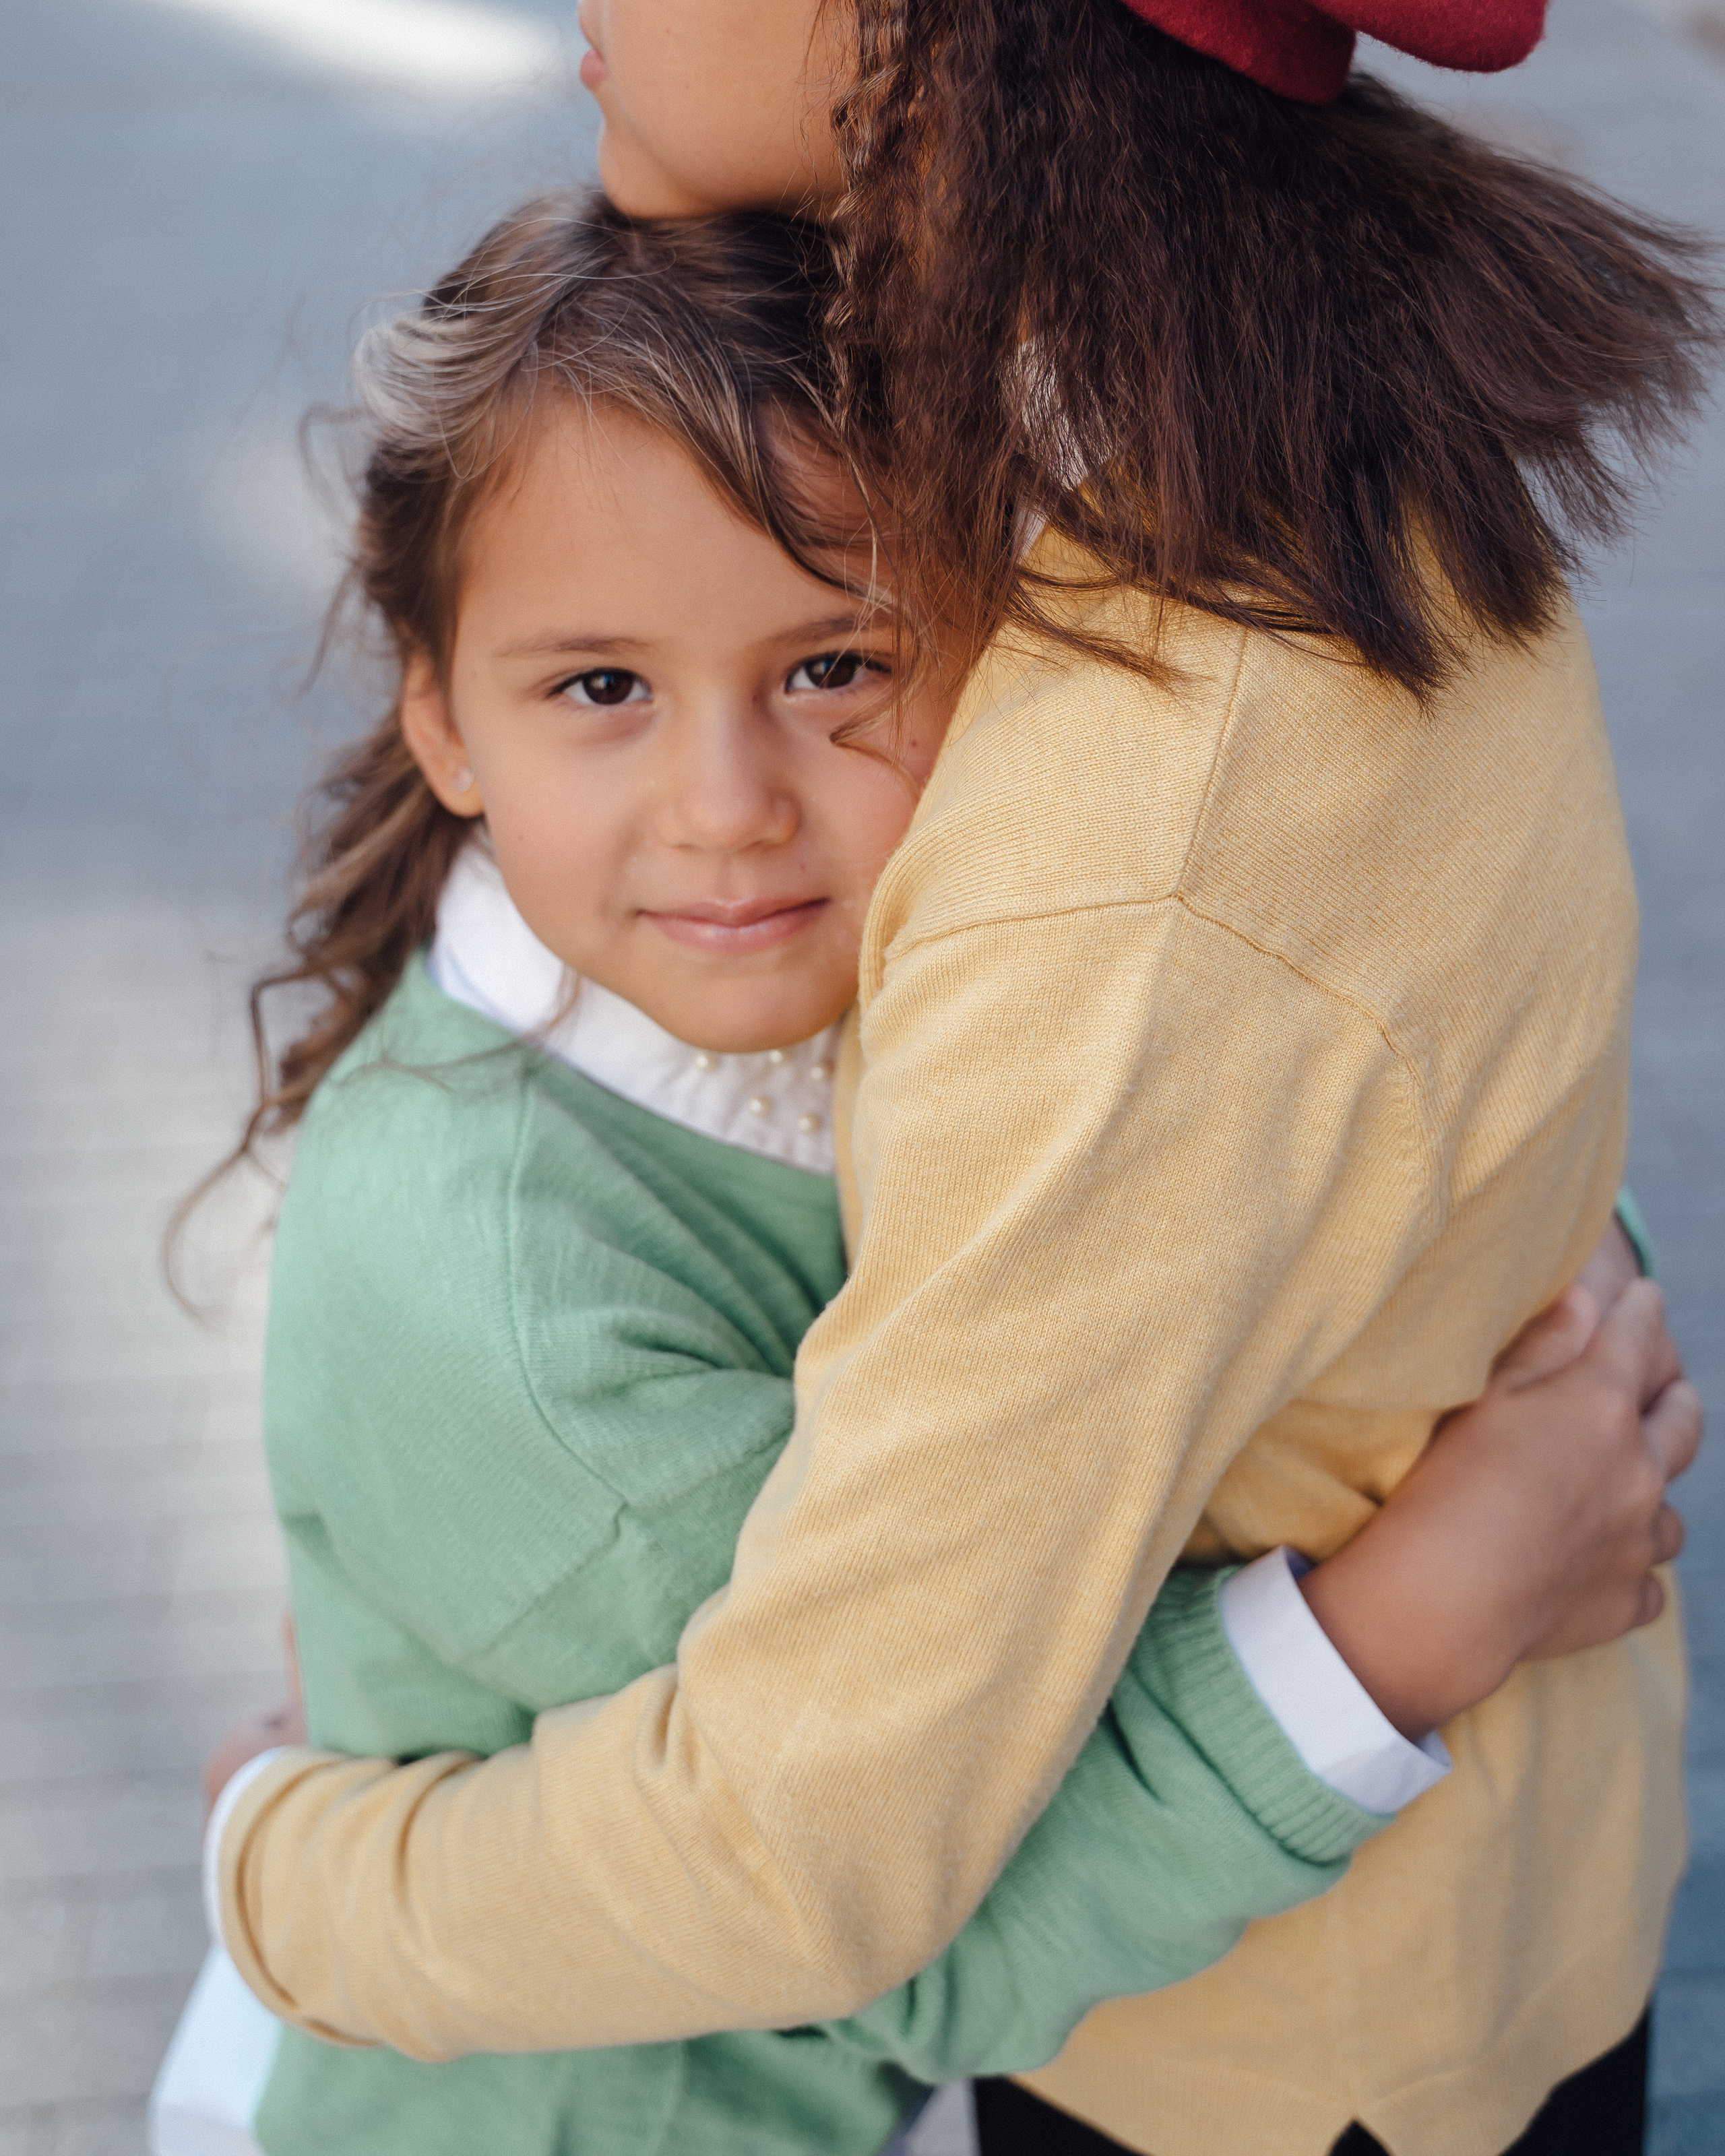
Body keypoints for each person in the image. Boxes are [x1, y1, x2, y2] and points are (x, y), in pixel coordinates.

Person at [209, 4, 1714, 2152]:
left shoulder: (1121, 863)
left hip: (1257, 2055)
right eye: (605, 689)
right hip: (1482, 1912)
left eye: (830, 670)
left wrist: (285, 1875)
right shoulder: (1299, 450)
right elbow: (1394, 1094)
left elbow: (814, 1853)